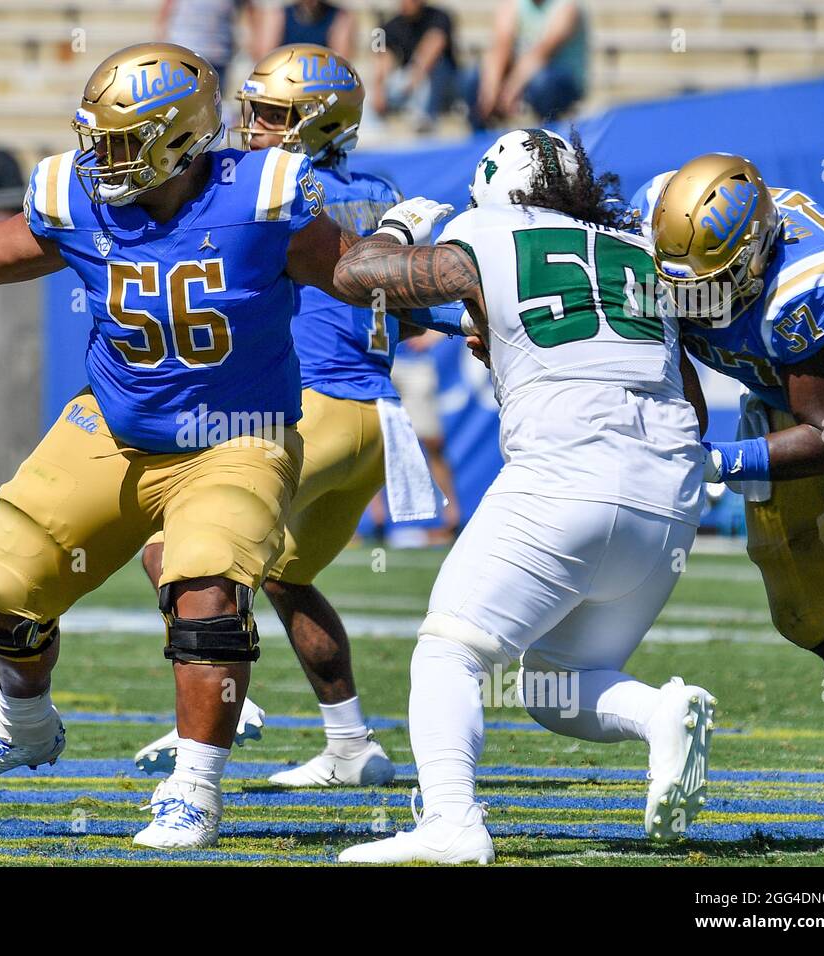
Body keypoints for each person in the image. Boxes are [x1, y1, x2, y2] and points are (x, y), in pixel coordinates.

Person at [0, 42, 387, 850]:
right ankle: (24, 726)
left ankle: (194, 789)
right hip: (115, 429)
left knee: (206, 599)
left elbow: (360, 272)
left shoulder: (263, 194)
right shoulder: (79, 195)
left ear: (177, 140)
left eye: (121, 141)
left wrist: (462, 290)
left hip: (236, 436)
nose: (101, 157)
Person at [332, 129, 714, 863]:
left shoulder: (484, 228)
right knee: (553, 686)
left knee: (449, 653)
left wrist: (395, 229)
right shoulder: (638, 250)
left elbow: (359, 275)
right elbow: (689, 400)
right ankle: (660, 713)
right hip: (669, 496)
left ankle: (451, 820)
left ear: (493, 190)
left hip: (566, 474)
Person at [133, 44, 446, 788]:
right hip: (377, 423)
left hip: (313, 411)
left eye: (272, 114)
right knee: (284, 577)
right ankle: (351, 744)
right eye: (253, 110)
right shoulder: (380, 192)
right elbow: (416, 313)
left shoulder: (277, 187)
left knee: (170, 550)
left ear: (318, 122)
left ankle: (227, 701)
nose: (254, 126)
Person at [634, 155, 824, 695]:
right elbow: (668, 341)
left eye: (709, 284)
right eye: (677, 285)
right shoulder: (647, 223)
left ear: (758, 252)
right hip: (782, 387)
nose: (689, 302)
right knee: (801, 607)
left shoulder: (804, 284)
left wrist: (717, 460)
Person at [464, 0, 588, 132]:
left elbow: (542, 52)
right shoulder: (513, 4)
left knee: (542, 82)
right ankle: (480, 137)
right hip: (524, 77)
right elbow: (501, 46)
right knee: (473, 78)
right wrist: (490, 90)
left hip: (560, 79)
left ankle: (549, 137)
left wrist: (510, 90)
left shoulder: (567, 6)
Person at [389, 327, 462, 541]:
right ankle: (369, 522)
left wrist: (431, 334)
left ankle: (451, 520)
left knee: (432, 442)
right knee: (367, 441)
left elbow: (452, 299)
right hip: (373, 362)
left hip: (413, 363)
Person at [370, 0, 459, 134]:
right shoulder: (392, 25)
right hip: (409, 84)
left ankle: (423, 119)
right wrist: (379, 88)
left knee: (436, 68)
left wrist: (414, 77)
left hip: (444, 84)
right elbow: (383, 56)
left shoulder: (439, 17)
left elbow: (434, 44)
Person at [258, 1, 354, 60]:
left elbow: (341, 60)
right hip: (286, 77)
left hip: (321, 80)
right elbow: (264, 57)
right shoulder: (279, 15)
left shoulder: (340, 16)